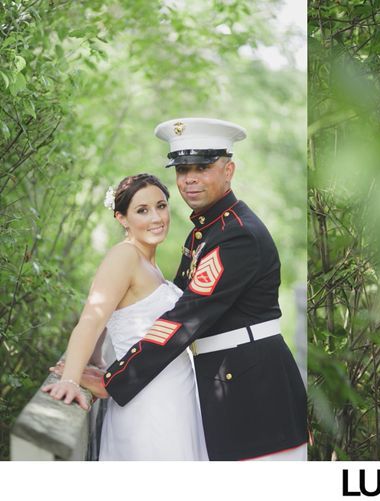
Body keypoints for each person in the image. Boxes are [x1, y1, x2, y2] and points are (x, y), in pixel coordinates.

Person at [74, 118, 309, 460]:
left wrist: (115, 379)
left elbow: (183, 319)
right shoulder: (206, 231)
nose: (190, 179)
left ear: (228, 170)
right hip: (223, 385)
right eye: (183, 170)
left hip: (254, 395)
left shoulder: (235, 236)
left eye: (203, 167)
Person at [43, 174, 208, 460]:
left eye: (161, 206)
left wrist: (95, 358)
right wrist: (70, 379)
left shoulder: (150, 265)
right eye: (142, 210)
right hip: (146, 405)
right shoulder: (124, 257)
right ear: (122, 218)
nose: (156, 217)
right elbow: (93, 318)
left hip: (177, 398)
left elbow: (114, 316)